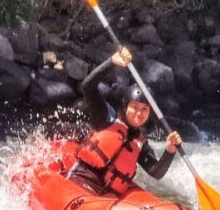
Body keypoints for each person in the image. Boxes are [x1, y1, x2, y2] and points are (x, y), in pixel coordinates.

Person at [67, 46, 182, 195]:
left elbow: (156, 172)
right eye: (135, 107)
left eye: (144, 109)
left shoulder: (141, 143)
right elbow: (87, 87)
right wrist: (111, 63)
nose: (138, 113)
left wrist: (170, 151)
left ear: (149, 113)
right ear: (126, 106)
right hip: (83, 182)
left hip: (109, 196)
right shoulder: (105, 118)